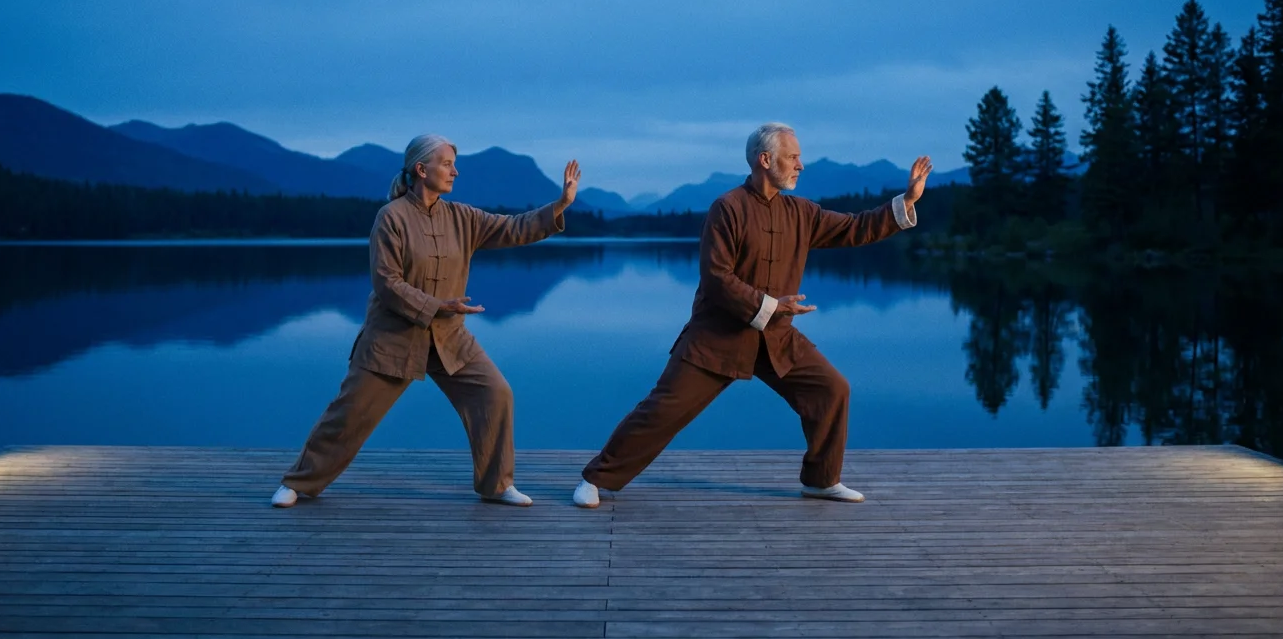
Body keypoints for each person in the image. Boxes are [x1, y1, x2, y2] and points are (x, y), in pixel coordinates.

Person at [573, 122, 930, 508]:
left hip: (775, 337)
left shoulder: (802, 212)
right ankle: (596, 479)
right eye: (793, 157)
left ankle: (821, 481)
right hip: (717, 339)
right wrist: (774, 305)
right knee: (663, 410)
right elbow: (716, 278)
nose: (800, 166)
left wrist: (906, 201)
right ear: (765, 160)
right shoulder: (727, 209)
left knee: (831, 390)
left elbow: (855, 227)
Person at [272, 134, 581, 508]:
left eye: (454, 163)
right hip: (393, 338)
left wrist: (560, 205)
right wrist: (437, 305)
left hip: (449, 337)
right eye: (447, 163)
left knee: (494, 394)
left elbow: (512, 228)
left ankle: (496, 485)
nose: (455, 171)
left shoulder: (462, 217)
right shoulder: (391, 218)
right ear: (422, 169)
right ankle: (299, 482)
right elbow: (386, 283)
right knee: (350, 414)